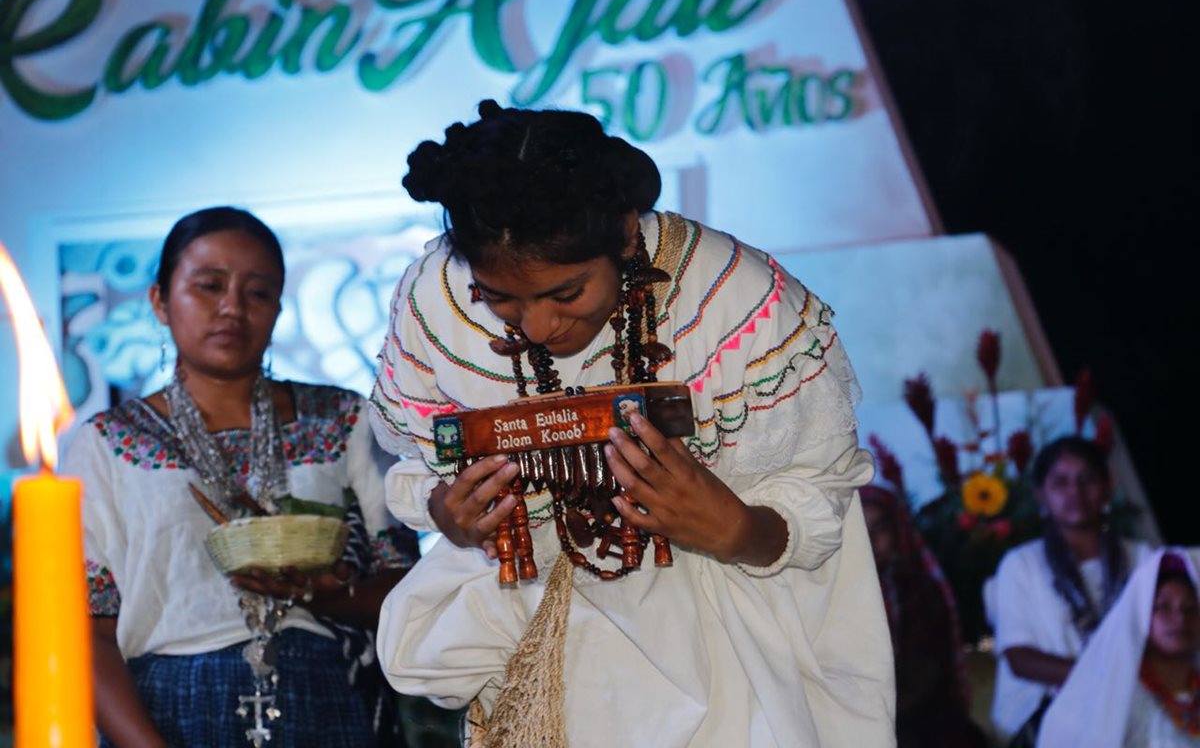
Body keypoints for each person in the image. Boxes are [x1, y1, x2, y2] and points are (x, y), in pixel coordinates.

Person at [369, 100, 895, 747]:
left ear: (623, 233)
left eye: (565, 294)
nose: (536, 327)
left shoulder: (736, 298)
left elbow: (821, 496)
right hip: (544, 664)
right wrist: (449, 513)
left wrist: (736, 529)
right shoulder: (434, 300)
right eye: (499, 297)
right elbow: (422, 467)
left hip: (735, 672)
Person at [62, 207, 416, 747]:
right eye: (209, 285)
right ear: (159, 300)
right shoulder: (109, 442)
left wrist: (321, 596)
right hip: (168, 710)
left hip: (329, 698)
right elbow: (86, 629)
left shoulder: (345, 418)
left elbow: (405, 587)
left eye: (257, 293)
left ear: (277, 308)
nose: (232, 307)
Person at [989, 434, 1153, 744]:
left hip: (1132, 694)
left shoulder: (1142, 558)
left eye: (1087, 479)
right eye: (1061, 482)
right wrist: (1103, 681)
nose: (1075, 491)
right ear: (1041, 495)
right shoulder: (1022, 564)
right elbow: (1018, 658)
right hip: (1048, 705)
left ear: (1108, 487)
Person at [860, 451, 990, 747]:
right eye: (859, 531)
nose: (870, 541)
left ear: (898, 531)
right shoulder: (830, 603)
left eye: (880, 528)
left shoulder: (920, 589)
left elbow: (939, 669)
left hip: (925, 721)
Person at [1036, 548, 1200, 747]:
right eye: (1163, 607)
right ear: (1140, 615)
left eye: (1191, 608)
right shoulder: (1114, 695)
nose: (1180, 618)